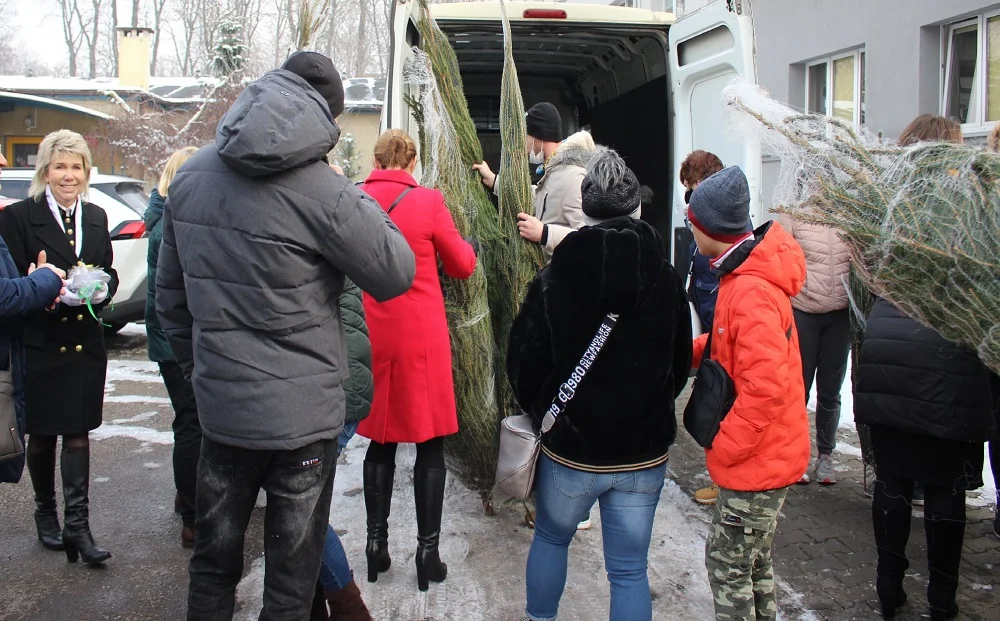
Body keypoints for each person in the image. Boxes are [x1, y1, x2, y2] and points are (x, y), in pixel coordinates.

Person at [155, 51, 416, 620]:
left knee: (213, 567)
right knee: (291, 583)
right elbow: (397, 270)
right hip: (301, 422)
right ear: (325, 117)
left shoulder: (191, 177)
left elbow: (170, 304)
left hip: (223, 413)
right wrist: (360, 199)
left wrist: (206, 378)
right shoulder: (322, 189)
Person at [507, 148, 692, 621]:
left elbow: (523, 363)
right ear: (637, 207)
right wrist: (646, 404)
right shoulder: (668, 279)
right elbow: (678, 362)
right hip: (642, 452)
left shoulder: (555, 277)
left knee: (551, 538)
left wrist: (545, 408)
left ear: (585, 210)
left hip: (572, 450)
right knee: (629, 570)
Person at [854, 114, 995, 621]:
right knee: (945, 487)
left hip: (888, 348)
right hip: (948, 356)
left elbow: (863, 275)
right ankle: (942, 599)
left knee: (892, 480)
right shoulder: (971, 207)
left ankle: (889, 592)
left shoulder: (891, 203)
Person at [356, 129, 477, 592]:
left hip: (373, 333)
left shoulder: (355, 199)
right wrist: (468, 247)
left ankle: (374, 546)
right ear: (410, 161)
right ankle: (428, 554)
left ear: (377, 158)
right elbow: (462, 264)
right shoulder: (428, 202)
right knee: (429, 444)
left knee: (380, 441)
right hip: (421, 338)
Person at [686, 166, 809, 621]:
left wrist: (728, 444)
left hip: (758, 460)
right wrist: (687, 352)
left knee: (727, 565)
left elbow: (766, 385)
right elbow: (731, 345)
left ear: (707, 229)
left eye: (691, 222)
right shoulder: (741, 274)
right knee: (753, 562)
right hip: (767, 455)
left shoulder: (751, 290)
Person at [0, 129, 119, 566]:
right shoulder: (18, 218)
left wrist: (100, 288)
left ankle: (78, 526)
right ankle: (45, 515)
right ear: (45, 171)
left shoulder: (96, 216)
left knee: (78, 433)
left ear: (86, 172)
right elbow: (13, 285)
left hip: (84, 341)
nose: (68, 176)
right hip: (42, 341)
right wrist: (49, 291)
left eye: (76, 167)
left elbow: (107, 270)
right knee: (45, 433)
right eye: (60, 166)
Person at [0, 151, 69, 487]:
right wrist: (45, 279)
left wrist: (39, 293)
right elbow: (4, 297)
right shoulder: (17, 216)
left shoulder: (96, 216)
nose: (2, 161)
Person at [144, 146, 201, 549]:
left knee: (191, 422)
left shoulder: (167, 217)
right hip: (174, 342)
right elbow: (174, 295)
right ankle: (193, 516)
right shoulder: (172, 224)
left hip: (171, 337)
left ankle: (189, 498)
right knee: (191, 424)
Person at [774, 208, 851, 486]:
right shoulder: (793, 216)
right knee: (798, 388)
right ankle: (795, 457)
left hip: (839, 315)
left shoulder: (844, 216)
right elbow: (780, 260)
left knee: (831, 390)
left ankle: (826, 456)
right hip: (804, 311)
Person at [313, 278, 374, 620]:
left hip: (334, 388)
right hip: (336, 382)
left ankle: (349, 608)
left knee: (303, 511)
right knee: (301, 508)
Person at [473, 102, 596, 264]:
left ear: (539, 138)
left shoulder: (573, 177)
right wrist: (495, 181)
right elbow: (537, 198)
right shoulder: (553, 171)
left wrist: (545, 234)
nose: (523, 145)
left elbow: (591, 239)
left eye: (525, 137)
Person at [678, 150, 726, 507]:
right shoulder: (705, 213)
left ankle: (725, 482)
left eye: (691, 186)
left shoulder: (717, 216)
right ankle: (721, 478)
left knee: (722, 396)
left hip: (721, 320)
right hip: (710, 315)